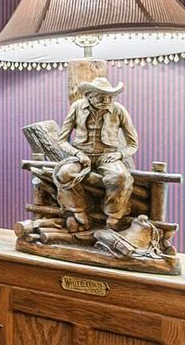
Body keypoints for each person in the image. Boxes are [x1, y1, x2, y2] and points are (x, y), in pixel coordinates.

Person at [56, 78, 140, 231]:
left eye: (110, 97)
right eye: (101, 96)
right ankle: (78, 210)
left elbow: (133, 144)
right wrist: (78, 154)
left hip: (107, 156)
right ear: (88, 96)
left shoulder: (119, 110)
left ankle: (113, 216)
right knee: (64, 173)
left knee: (121, 177)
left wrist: (120, 155)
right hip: (81, 156)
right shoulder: (77, 107)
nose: (106, 100)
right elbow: (61, 140)